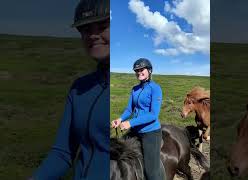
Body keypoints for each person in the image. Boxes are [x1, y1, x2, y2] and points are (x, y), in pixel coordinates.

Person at [30, 0, 110, 179]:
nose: (92, 35)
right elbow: (62, 153)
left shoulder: (135, 87)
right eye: (86, 30)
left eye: (103, 26)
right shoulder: (79, 89)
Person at [111, 58, 164, 180]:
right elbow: (129, 109)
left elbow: (153, 114)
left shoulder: (155, 88)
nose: (139, 72)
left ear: (149, 71)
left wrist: (130, 122)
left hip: (151, 132)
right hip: (135, 130)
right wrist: (120, 119)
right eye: (137, 70)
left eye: (142, 69)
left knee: (151, 171)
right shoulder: (135, 89)